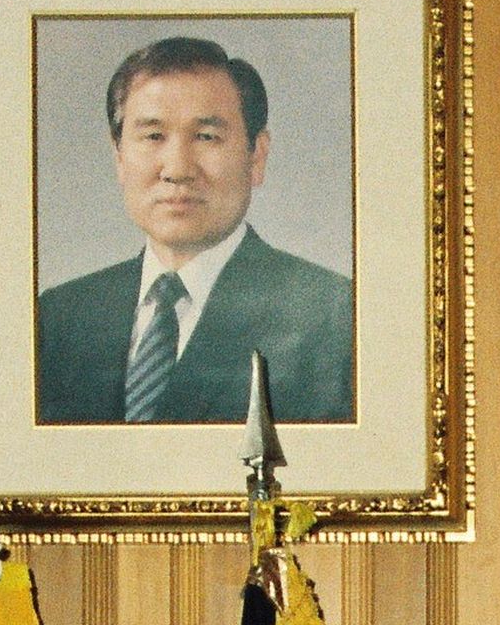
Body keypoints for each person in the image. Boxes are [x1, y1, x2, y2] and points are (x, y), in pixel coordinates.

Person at [34, 33, 356, 426]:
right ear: (118, 156)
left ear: (256, 156)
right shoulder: (57, 319)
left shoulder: (336, 318)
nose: (177, 169)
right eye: (153, 136)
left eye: (206, 137)